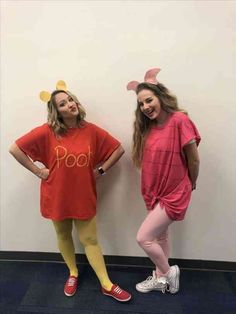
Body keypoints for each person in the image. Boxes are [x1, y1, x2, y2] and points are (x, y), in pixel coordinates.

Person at [9, 80, 131, 302]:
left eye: (71, 99)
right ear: (56, 111)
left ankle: (106, 283)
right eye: (63, 103)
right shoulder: (47, 132)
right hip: (56, 193)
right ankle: (73, 273)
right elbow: (14, 148)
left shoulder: (91, 131)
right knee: (63, 234)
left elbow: (118, 149)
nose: (70, 105)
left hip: (83, 194)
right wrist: (38, 171)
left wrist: (101, 170)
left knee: (90, 239)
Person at [127, 68, 201, 294]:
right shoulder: (148, 127)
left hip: (174, 191)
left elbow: (193, 159)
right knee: (160, 235)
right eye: (141, 104)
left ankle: (169, 273)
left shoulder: (179, 120)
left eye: (149, 100)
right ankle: (161, 278)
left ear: (161, 97)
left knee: (143, 237)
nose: (146, 107)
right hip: (155, 191)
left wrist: (192, 183)